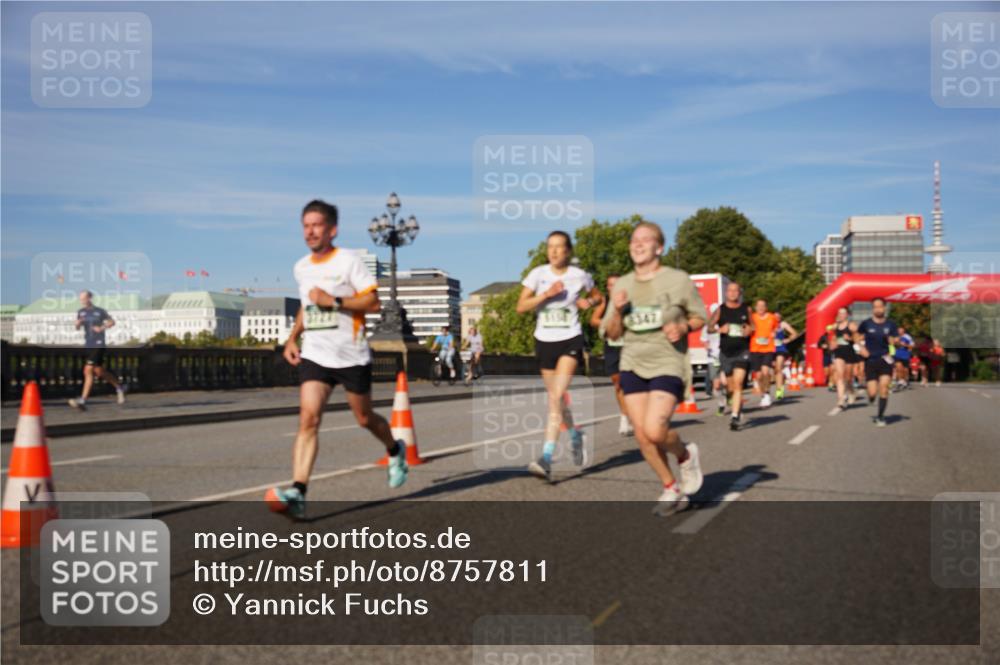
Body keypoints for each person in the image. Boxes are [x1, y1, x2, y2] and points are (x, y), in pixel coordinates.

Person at [266, 200, 408, 519]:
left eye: (317, 225)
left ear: (332, 229)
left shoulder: (348, 261)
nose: (310, 231)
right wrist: (292, 337)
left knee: (364, 418)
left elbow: (373, 302)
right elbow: (307, 305)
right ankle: (299, 491)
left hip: (351, 353)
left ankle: (394, 449)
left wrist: (335, 301)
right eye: (306, 225)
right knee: (309, 418)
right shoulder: (301, 267)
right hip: (316, 353)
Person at [603, 221, 706, 516]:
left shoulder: (678, 280)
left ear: (659, 247)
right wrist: (619, 312)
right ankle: (670, 485)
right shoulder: (622, 285)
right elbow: (611, 333)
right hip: (632, 362)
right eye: (634, 240)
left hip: (668, 361)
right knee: (642, 434)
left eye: (645, 240)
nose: (638, 244)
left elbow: (700, 317)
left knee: (655, 429)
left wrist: (684, 325)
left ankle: (685, 456)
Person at [517, 231, 604, 481]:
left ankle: (545, 457)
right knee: (557, 400)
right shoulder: (537, 274)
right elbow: (520, 307)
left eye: (559, 247)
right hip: (544, 341)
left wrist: (589, 301)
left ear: (568, 251)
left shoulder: (579, 276)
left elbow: (599, 296)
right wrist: (546, 295)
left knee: (555, 397)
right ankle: (576, 435)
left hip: (570, 339)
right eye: (550, 247)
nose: (554, 251)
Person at [68, 290, 126, 410]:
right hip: (88, 344)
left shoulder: (100, 311)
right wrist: (77, 324)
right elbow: (78, 328)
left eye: (84, 298)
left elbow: (112, 322)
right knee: (99, 372)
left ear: (90, 298)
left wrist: (102, 328)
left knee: (87, 370)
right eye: (81, 299)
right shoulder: (81, 312)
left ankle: (83, 400)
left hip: (98, 343)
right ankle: (119, 387)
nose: (82, 301)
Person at [590, 274, 632, 436]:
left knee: (632, 382)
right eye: (610, 285)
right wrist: (607, 323)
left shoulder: (629, 302)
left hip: (629, 345)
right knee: (617, 383)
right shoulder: (604, 302)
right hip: (611, 345)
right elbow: (593, 320)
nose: (613, 287)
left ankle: (629, 417)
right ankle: (625, 416)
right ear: (607, 288)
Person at [709, 281, 752, 431]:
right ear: (726, 293)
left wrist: (749, 330)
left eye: (736, 291)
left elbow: (753, 327)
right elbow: (709, 327)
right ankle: (737, 407)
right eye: (730, 291)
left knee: (738, 383)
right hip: (726, 353)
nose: (733, 293)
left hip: (743, 351)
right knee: (730, 387)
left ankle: (734, 417)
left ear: (739, 293)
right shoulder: (721, 310)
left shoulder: (746, 309)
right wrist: (719, 329)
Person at [856, 297, 899, 427]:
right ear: (872, 309)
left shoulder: (891, 324)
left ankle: (880, 417)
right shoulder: (866, 323)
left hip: (885, 359)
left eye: (880, 306)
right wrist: (861, 348)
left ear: (884, 308)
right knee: (873, 392)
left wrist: (894, 341)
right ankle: (871, 398)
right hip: (871, 360)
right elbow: (856, 337)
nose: (878, 309)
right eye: (875, 307)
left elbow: (895, 338)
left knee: (884, 388)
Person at [749, 299, 779, 408]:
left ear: (766, 307)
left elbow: (776, 328)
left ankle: (766, 393)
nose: (761, 308)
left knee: (766, 372)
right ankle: (763, 394)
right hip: (755, 348)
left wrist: (774, 333)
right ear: (755, 307)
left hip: (768, 348)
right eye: (758, 306)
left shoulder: (772, 317)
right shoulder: (752, 317)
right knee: (759, 375)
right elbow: (747, 329)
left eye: (763, 306)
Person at [830, 307, 858, 412]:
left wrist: (850, 339)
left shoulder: (851, 325)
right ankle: (841, 400)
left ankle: (851, 392)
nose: (841, 315)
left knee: (848, 377)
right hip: (839, 352)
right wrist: (833, 344)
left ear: (847, 314)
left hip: (849, 352)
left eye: (843, 313)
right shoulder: (835, 326)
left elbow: (859, 338)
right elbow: (833, 338)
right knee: (839, 375)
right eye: (839, 313)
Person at [772, 312, 798, 401]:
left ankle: (779, 391)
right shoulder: (768, 323)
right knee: (776, 370)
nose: (777, 318)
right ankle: (781, 383)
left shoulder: (783, 324)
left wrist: (788, 339)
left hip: (781, 349)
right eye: (775, 316)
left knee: (779, 368)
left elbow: (794, 333)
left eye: (779, 317)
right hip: (770, 349)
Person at [893, 326, 914, 390]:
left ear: (903, 331)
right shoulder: (895, 336)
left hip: (905, 355)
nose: (899, 331)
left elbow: (912, 345)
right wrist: (894, 343)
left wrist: (905, 345)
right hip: (897, 354)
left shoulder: (907, 337)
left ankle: (906, 381)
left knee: (905, 370)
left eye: (901, 330)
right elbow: (890, 344)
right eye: (898, 330)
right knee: (898, 368)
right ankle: (900, 381)